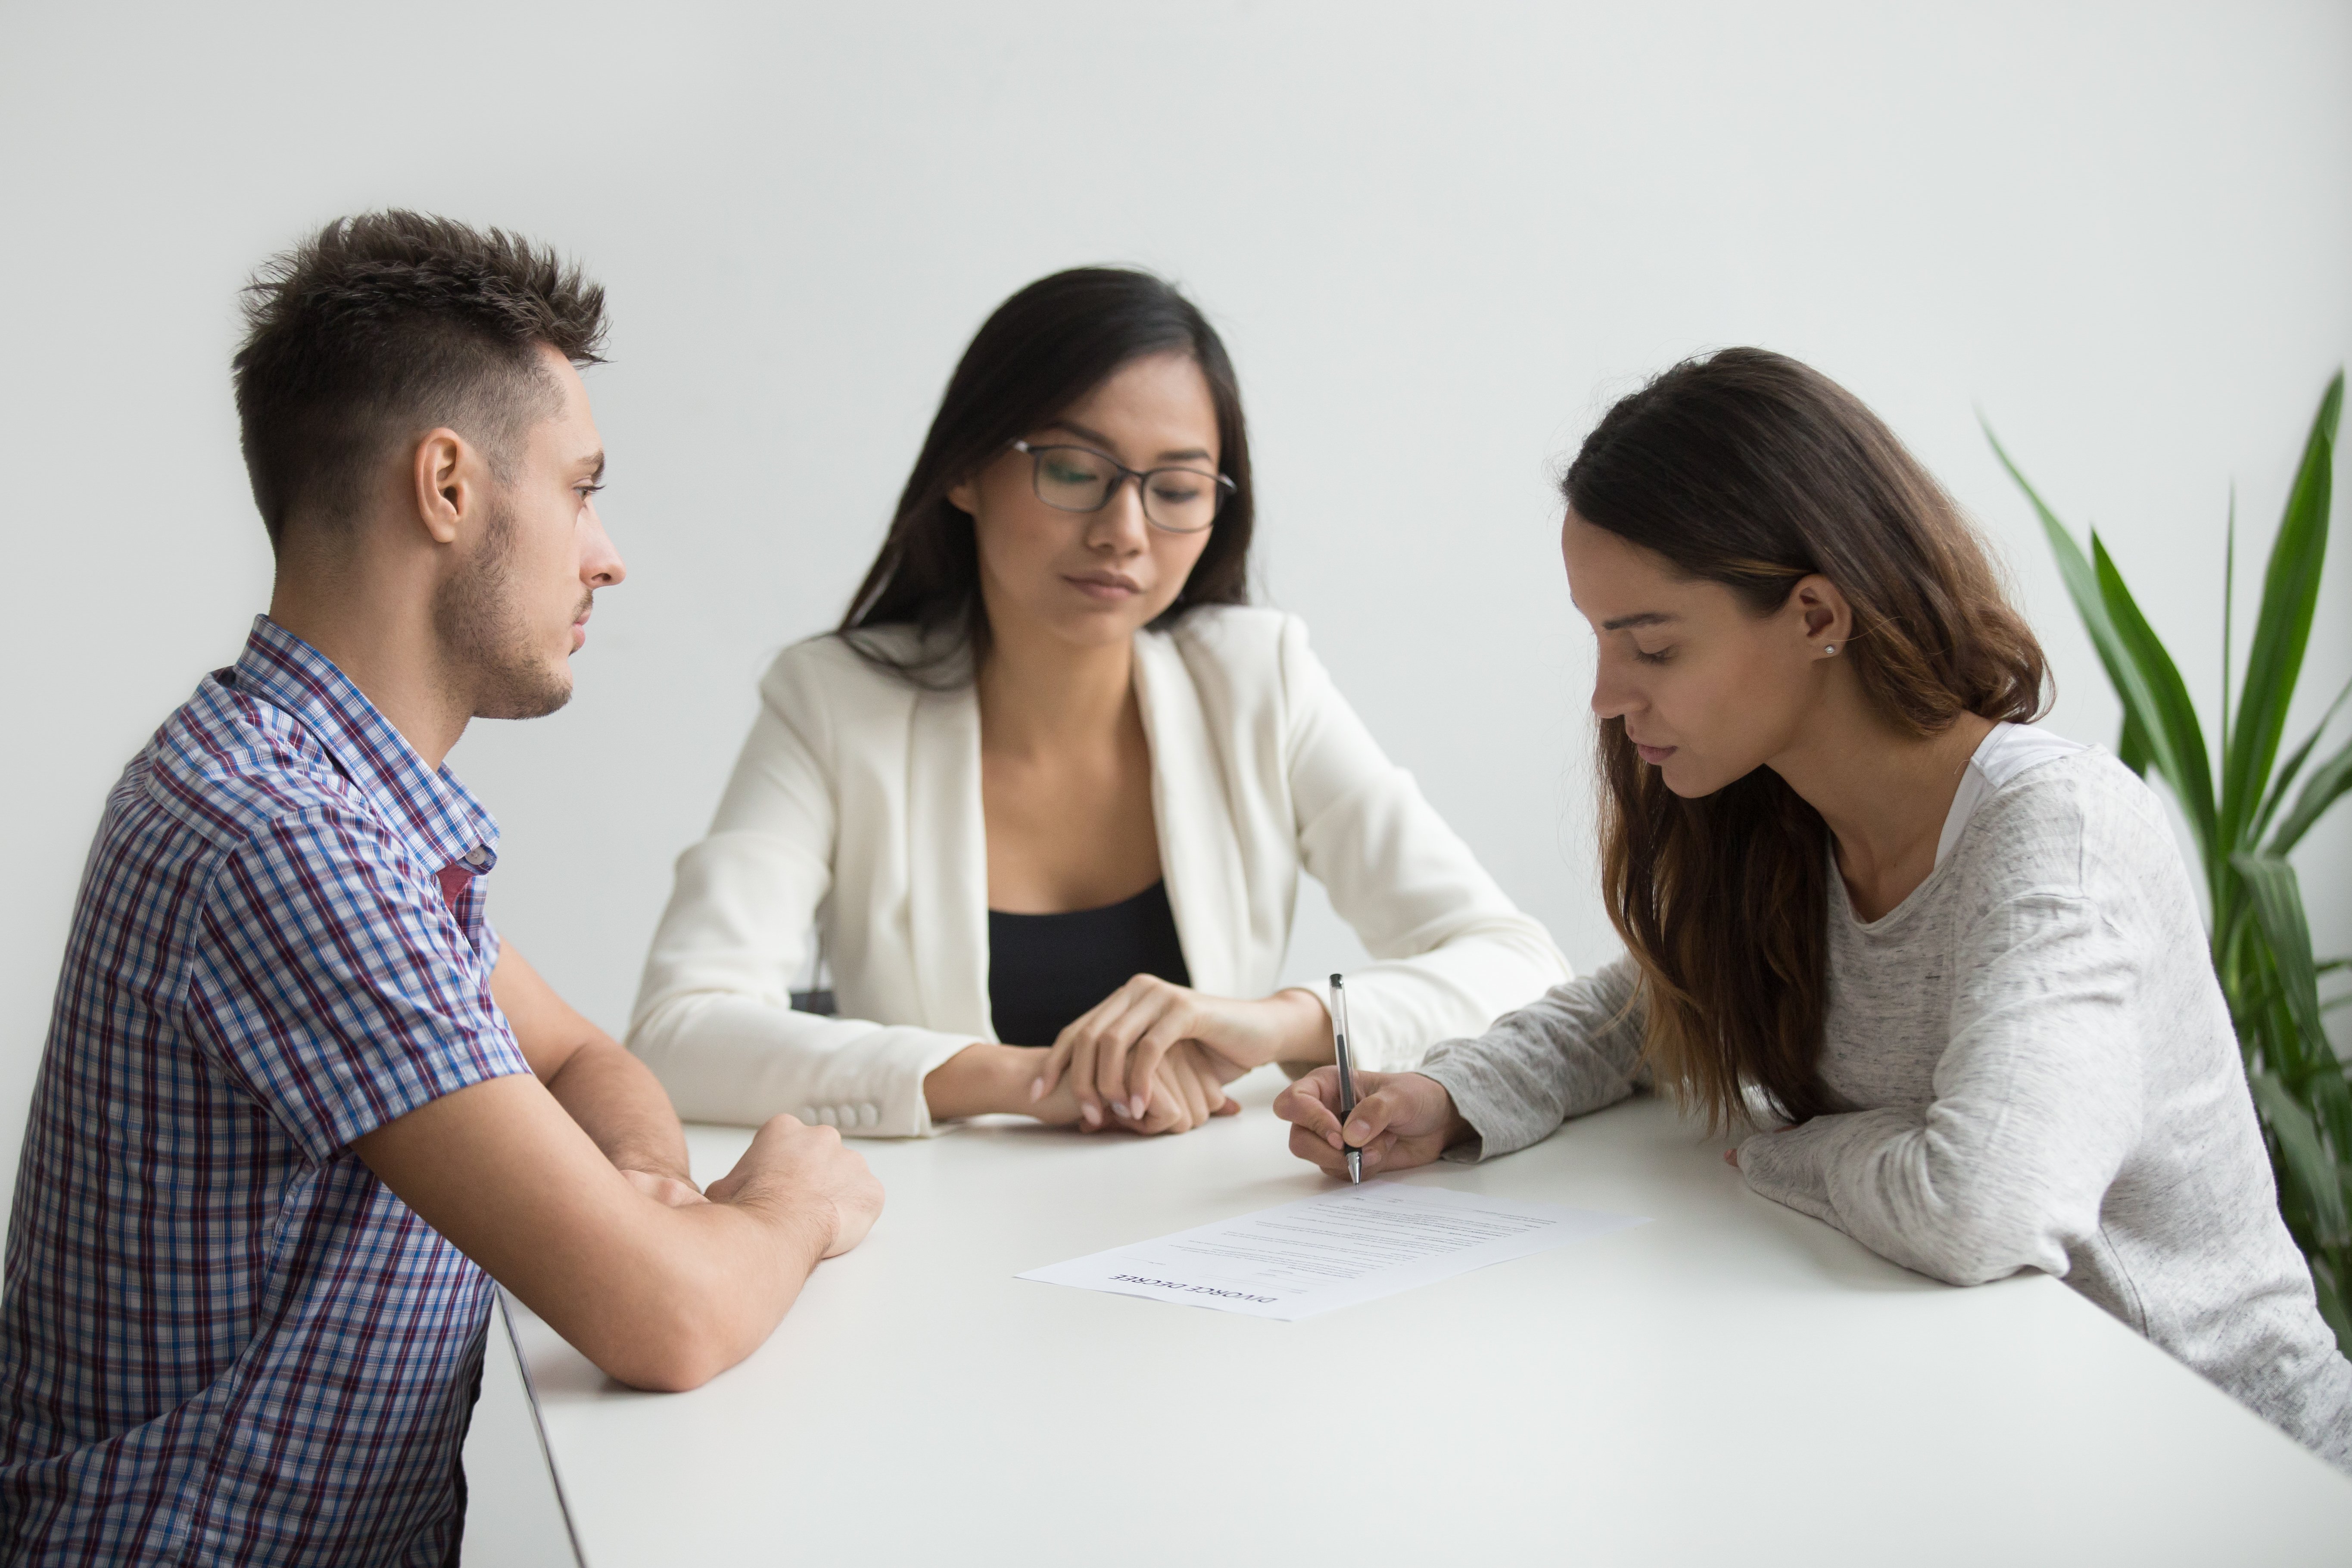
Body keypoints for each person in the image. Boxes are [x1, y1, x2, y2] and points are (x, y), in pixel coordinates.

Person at [1276, 347, 2352, 1469]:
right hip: (1997, 1435)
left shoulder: (2056, 834)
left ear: (1814, 615)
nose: (1604, 694)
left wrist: (1790, 1150)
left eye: (1649, 644)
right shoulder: (1782, 822)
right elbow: (1650, 1009)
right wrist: (1450, 1096)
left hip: (2222, 1460)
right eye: (1597, 637)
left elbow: (1985, 1207)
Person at [0, 212, 884, 1565]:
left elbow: (584, 1053)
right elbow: (672, 1320)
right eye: (582, 489)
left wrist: (649, 1184)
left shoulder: (315, 793)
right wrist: (792, 1202)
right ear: (450, 488)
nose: (607, 554)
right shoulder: (287, 842)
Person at [629, 267, 1567, 1139]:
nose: (1124, 532)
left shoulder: (1257, 680)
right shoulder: (834, 702)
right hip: (933, 1249)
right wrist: (1037, 1079)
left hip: (1192, 1242)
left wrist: (1274, 1022)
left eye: (1176, 488)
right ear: (965, 469)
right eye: (1076, 470)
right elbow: (679, 1032)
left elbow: (1521, 964)